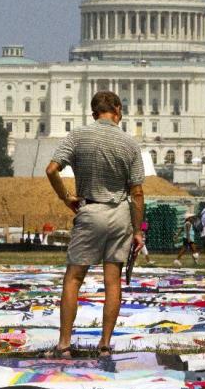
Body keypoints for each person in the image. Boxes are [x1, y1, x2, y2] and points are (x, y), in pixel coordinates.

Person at [45, 90, 145, 359]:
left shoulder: (78, 136)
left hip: (89, 211)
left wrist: (65, 197)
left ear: (93, 111)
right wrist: (138, 230)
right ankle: (104, 344)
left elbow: (52, 169)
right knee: (113, 282)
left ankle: (64, 344)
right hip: (120, 214)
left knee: (74, 278)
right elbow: (137, 193)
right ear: (117, 110)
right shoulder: (129, 143)